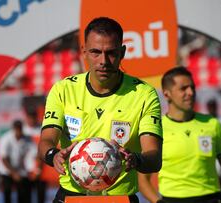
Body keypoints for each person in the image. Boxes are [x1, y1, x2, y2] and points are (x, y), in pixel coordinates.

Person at [38, 17, 163, 203]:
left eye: (111, 53)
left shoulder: (144, 94)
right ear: (84, 52)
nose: (103, 61)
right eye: (96, 52)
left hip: (120, 199)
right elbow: (46, 140)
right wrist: (53, 155)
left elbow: (154, 157)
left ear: (122, 53)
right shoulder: (63, 89)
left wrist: (135, 159)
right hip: (71, 197)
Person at [138, 67, 221, 203]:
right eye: (183, 88)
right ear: (167, 94)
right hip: (172, 199)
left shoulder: (212, 124)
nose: (190, 93)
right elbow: (143, 179)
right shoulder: (156, 127)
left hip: (212, 198)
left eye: (192, 87)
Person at [0, 120, 37, 203]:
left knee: (23, 194)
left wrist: (34, 169)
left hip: (20, 170)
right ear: (14, 129)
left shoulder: (27, 139)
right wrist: (13, 173)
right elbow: (4, 159)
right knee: (7, 193)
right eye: (17, 129)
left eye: (20, 129)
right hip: (6, 171)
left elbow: (34, 153)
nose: (19, 131)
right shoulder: (5, 138)